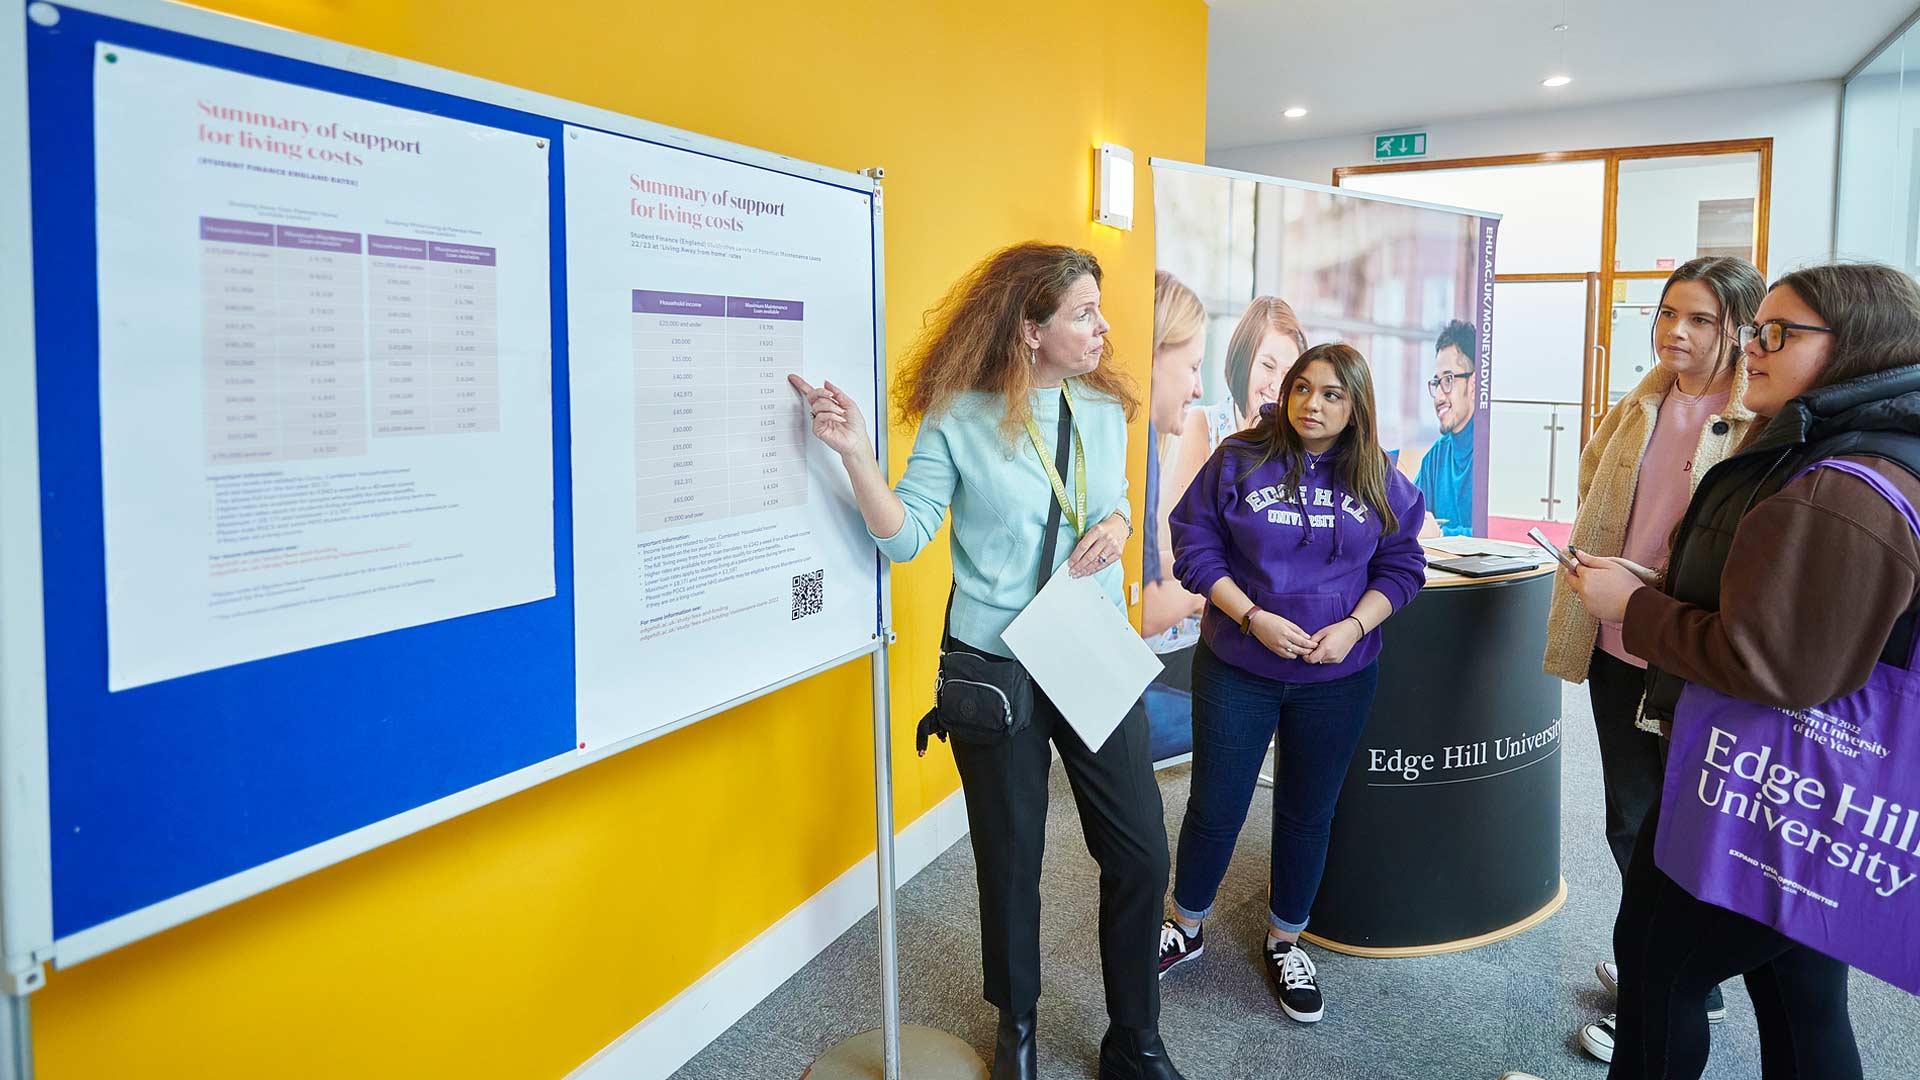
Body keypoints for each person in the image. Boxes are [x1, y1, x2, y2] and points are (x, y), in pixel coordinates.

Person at [789, 242, 1185, 1080]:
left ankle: (1134, 1039)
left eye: (1097, 309)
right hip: (995, 663)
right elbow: (906, 536)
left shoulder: (1106, 406)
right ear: (1029, 329)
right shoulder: (959, 414)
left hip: (1084, 645)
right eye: (1084, 312)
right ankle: (1019, 1027)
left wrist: (1114, 528)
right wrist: (856, 453)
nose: (1103, 326)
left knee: (1143, 848)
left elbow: (1110, 503)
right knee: (1011, 858)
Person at [1559, 262, 1920, 1080]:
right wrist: (1659, 588)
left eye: (1777, 333)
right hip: (1798, 793)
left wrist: (1637, 608)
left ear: (1857, 346)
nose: (1754, 347)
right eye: (1759, 330)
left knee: (1659, 971)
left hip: (1760, 788)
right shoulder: (1837, 447)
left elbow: (1776, 661)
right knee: (1800, 991)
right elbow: (1784, 612)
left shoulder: (1841, 485)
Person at [1155, 342, 1427, 1024]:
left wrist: (1354, 629)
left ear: (1355, 404)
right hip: (1238, 666)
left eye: (1333, 393)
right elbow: (1194, 547)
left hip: (1336, 676)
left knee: (1308, 810)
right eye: (1303, 388)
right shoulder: (1239, 457)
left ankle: (1285, 941)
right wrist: (1249, 615)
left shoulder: (1380, 477)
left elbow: (1403, 567)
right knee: (1216, 804)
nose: (1313, 403)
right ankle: (1184, 926)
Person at [1540, 256, 1765, 1063]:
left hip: (1687, 653)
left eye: (1701, 318)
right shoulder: (1642, 400)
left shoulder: (1754, 420)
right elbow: (1599, 485)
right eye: (1669, 313)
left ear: (1740, 328)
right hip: (1613, 639)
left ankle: (1669, 991)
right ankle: (1666, 974)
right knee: (1629, 820)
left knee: (1678, 832)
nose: (1677, 331)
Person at [1141, 271, 1209, 759]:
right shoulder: (1137, 444)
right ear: (1155, 355)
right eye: (1192, 367)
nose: (1198, 387)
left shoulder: (1140, 440)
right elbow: (1139, 608)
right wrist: (1214, 591)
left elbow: (1147, 561)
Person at [1415, 319, 1479, 536]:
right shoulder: (1435, 458)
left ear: (1474, 384)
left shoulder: (1492, 457)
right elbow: (1408, 516)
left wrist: (1441, 535)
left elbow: (1500, 535)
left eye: (1449, 380)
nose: (1439, 397)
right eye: (1437, 382)